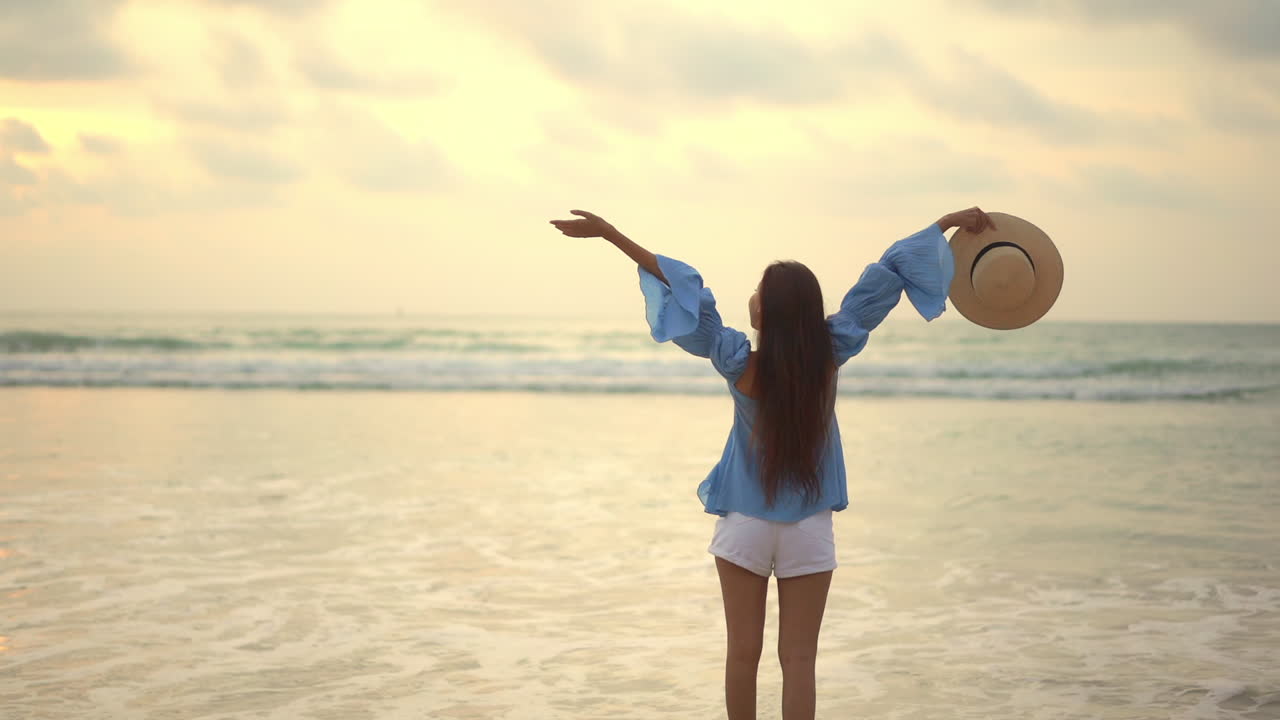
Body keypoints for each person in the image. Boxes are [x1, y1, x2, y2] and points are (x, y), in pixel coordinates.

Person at [548, 206, 996, 720]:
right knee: (799, 661)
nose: (752, 297)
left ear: (767, 312)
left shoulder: (736, 360)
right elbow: (887, 274)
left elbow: (682, 286)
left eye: (758, 292)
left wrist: (610, 234)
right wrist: (944, 224)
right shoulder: (830, 352)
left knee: (742, 654)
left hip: (744, 524)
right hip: (809, 528)